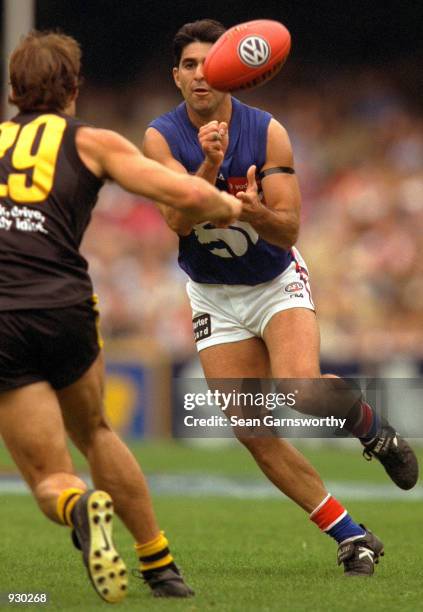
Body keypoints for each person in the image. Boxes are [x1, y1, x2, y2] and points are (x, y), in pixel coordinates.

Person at [142, 18, 418, 577]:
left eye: (209, 63)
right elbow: (173, 217)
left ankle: (370, 427)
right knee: (250, 429)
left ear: (233, 70)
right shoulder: (159, 136)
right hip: (214, 295)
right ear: (177, 77)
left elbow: (289, 230)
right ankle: (351, 535)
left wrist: (245, 206)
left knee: (300, 389)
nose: (200, 75)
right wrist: (213, 167)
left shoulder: (267, 130)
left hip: (274, 282)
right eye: (189, 66)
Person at [0, 30, 242, 603]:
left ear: (13, 90)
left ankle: (79, 505)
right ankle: (159, 565)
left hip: (4, 316)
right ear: (74, 89)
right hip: (64, 308)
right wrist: (227, 201)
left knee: (47, 476)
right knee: (96, 432)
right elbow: (178, 193)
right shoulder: (93, 141)